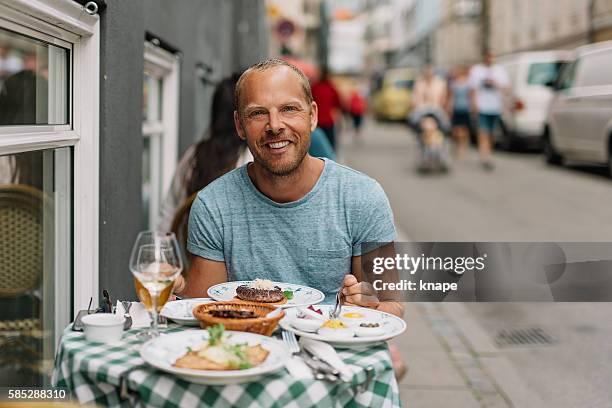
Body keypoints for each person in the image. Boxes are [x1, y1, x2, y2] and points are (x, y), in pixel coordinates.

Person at [173, 58, 403, 318]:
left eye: (289, 109)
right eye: (258, 113)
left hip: (336, 346)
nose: (275, 125)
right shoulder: (213, 205)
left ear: (313, 116)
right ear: (239, 125)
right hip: (247, 349)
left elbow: (391, 306)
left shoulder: (363, 197)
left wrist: (369, 306)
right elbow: (206, 312)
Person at [157, 74, 252, 233]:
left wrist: (169, 252)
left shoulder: (194, 154)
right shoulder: (251, 161)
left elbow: (168, 214)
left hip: (187, 253)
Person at [469, 52, 510, 170]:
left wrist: (495, 84)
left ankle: (488, 154)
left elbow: (507, 90)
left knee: (492, 134)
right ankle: (484, 156)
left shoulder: (500, 71)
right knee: (483, 133)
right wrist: (474, 106)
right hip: (482, 107)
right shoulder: (477, 70)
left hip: (495, 107)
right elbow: (473, 90)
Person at [311, 67, 342, 151]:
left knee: (314, 146)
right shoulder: (331, 88)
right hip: (328, 121)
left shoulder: (314, 87)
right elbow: (338, 104)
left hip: (316, 122)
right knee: (330, 146)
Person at [447, 65, 472, 159]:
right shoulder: (454, 84)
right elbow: (451, 97)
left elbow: (471, 96)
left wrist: (472, 107)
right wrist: (449, 107)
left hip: (465, 108)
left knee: (465, 130)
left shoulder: (468, 84)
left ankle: (463, 147)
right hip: (456, 109)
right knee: (456, 130)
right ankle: (457, 146)